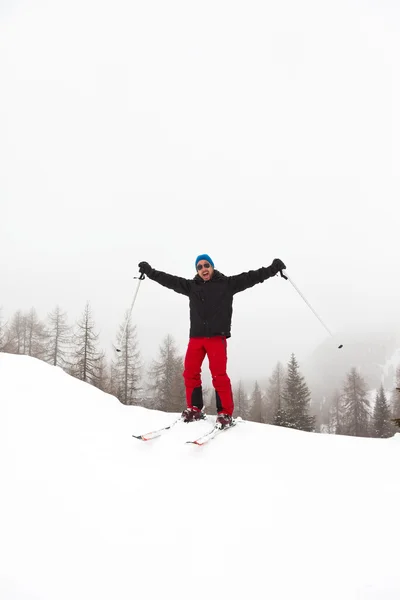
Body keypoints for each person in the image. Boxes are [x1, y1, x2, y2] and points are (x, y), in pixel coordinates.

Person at [138, 254, 286, 428]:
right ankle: (195, 408)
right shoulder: (191, 286)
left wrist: (273, 269)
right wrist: (150, 271)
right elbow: (169, 280)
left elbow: (252, 277)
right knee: (190, 373)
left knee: (219, 376)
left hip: (216, 338)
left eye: (206, 265)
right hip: (196, 339)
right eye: (199, 267)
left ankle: (225, 413)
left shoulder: (227, 284)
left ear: (212, 266)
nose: (203, 269)